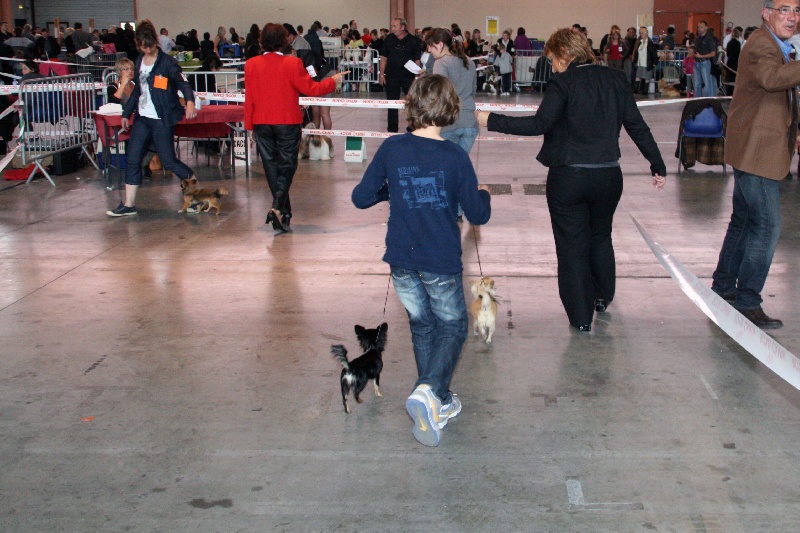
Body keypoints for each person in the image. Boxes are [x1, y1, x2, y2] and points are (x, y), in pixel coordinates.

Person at [476, 28, 666, 332]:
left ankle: (580, 318)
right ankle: (603, 296)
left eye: (553, 60)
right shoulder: (616, 80)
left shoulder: (562, 83)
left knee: (571, 247)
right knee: (601, 237)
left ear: (565, 54)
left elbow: (539, 124)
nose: (552, 67)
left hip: (569, 177)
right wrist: (657, 163)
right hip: (608, 175)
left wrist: (491, 120)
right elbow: (637, 127)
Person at [352, 74, 492, 447]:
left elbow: (360, 197)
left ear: (412, 107)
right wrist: (485, 195)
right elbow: (478, 215)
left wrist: (392, 189)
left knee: (422, 324)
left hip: (401, 260)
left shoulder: (392, 148)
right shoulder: (455, 157)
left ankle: (438, 401)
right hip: (439, 260)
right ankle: (428, 390)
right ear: (450, 110)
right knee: (454, 325)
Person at [710, 0, 800, 329]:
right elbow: (771, 78)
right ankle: (748, 302)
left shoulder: (779, 45)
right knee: (768, 225)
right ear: (766, 13)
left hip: (753, 147)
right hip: (758, 152)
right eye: (784, 9)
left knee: (744, 220)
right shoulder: (762, 44)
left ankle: (723, 287)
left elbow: (780, 93)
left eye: (797, 10)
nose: (792, 17)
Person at [244, 23, 349, 232]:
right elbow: (311, 89)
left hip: (262, 123)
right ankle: (276, 208)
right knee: (287, 167)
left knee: (271, 168)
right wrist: (333, 81)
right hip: (287, 122)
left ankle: (285, 211)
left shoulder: (251, 64)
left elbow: (250, 99)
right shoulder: (292, 64)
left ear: (261, 41)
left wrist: (249, 126)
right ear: (285, 41)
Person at [106, 20, 197, 217]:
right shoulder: (139, 61)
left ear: (155, 42)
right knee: (132, 159)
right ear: (139, 45)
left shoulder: (167, 63)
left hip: (161, 118)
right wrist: (125, 113)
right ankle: (129, 204)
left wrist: (189, 100)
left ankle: (193, 190)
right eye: (143, 48)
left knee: (169, 161)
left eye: (150, 47)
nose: (147, 51)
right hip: (142, 118)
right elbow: (138, 90)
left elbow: (183, 83)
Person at [424, 28, 478, 153]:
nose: (428, 50)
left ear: (440, 44)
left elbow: (439, 94)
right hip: (470, 122)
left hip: (450, 123)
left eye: (430, 46)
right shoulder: (470, 62)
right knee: (460, 164)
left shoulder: (441, 63)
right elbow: (473, 92)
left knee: (444, 165)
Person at [380, 18, 421, 133]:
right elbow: (383, 58)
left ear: (402, 27)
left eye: (395, 26)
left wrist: (417, 77)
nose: (392, 28)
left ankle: (412, 126)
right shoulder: (389, 39)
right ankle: (392, 129)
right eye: (392, 26)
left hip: (408, 77)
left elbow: (417, 60)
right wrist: (381, 75)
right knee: (391, 103)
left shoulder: (413, 40)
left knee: (412, 102)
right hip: (392, 76)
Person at [693, 21, 718, 97]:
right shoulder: (698, 38)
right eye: (698, 27)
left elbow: (713, 53)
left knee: (707, 83)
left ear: (706, 28)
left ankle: (708, 101)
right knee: (697, 83)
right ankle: (697, 101)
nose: (699, 29)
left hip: (705, 63)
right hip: (697, 62)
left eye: (701, 27)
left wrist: (701, 56)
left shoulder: (709, 38)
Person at [632, 26, 658, 94]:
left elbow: (654, 53)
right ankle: (635, 89)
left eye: (642, 33)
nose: (641, 35)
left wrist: (654, 62)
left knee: (647, 77)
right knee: (638, 76)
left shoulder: (650, 42)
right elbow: (636, 51)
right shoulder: (639, 42)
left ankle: (645, 90)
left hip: (647, 63)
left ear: (646, 33)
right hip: (640, 62)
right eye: (640, 33)